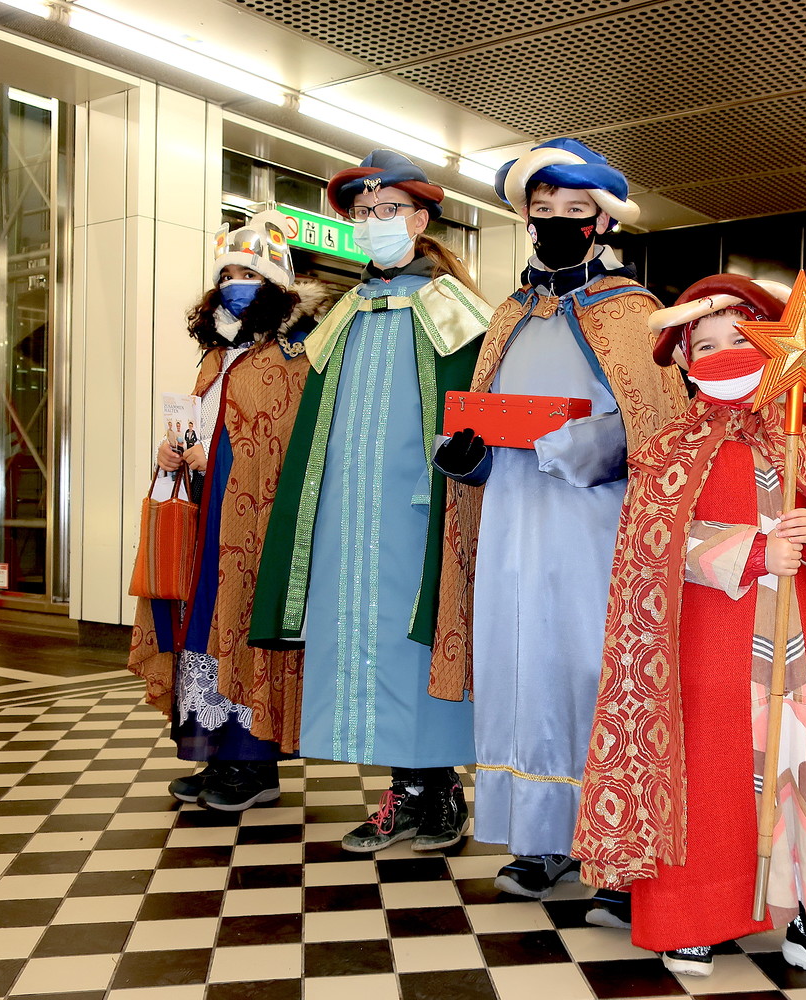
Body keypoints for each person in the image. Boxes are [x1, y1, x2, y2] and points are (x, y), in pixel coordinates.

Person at [572, 275, 806, 988]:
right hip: (706, 651)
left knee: (805, 771)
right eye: (706, 344)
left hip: (798, 650)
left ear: (772, 349)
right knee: (708, 778)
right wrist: (750, 552)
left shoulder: (802, 445)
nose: (724, 354)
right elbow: (651, 548)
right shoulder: (667, 450)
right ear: (684, 361)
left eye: (740, 337)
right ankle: (693, 920)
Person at [430, 138, 687, 911]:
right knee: (519, 672)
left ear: (604, 222)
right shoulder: (508, 315)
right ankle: (542, 842)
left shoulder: (635, 313)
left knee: (593, 674)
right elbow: (483, 419)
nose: (556, 223)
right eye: (542, 210)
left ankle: (618, 850)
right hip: (511, 530)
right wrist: (467, 460)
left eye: (575, 210)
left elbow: (659, 430)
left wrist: (580, 446)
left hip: (595, 533)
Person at [250, 150, 493, 853]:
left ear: (419, 220)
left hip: (420, 512)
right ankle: (406, 790)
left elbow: (475, 406)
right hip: (348, 516)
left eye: (388, 210)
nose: (373, 221)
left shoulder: (455, 310)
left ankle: (439, 788)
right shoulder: (345, 313)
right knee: (366, 647)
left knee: (417, 645)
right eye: (362, 212)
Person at [128, 211, 328, 811]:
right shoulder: (217, 355)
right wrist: (174, 452)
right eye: (228, 274)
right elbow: (205, 423)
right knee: (203, 627)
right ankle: (217, 755)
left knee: (243, 625)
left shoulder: (292, 355)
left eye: (250, 274)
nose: (236, 284)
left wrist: (215, 456)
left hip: (257, 523)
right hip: (207, 513)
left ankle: (252, 766)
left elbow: (286, 444)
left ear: (277, 284)